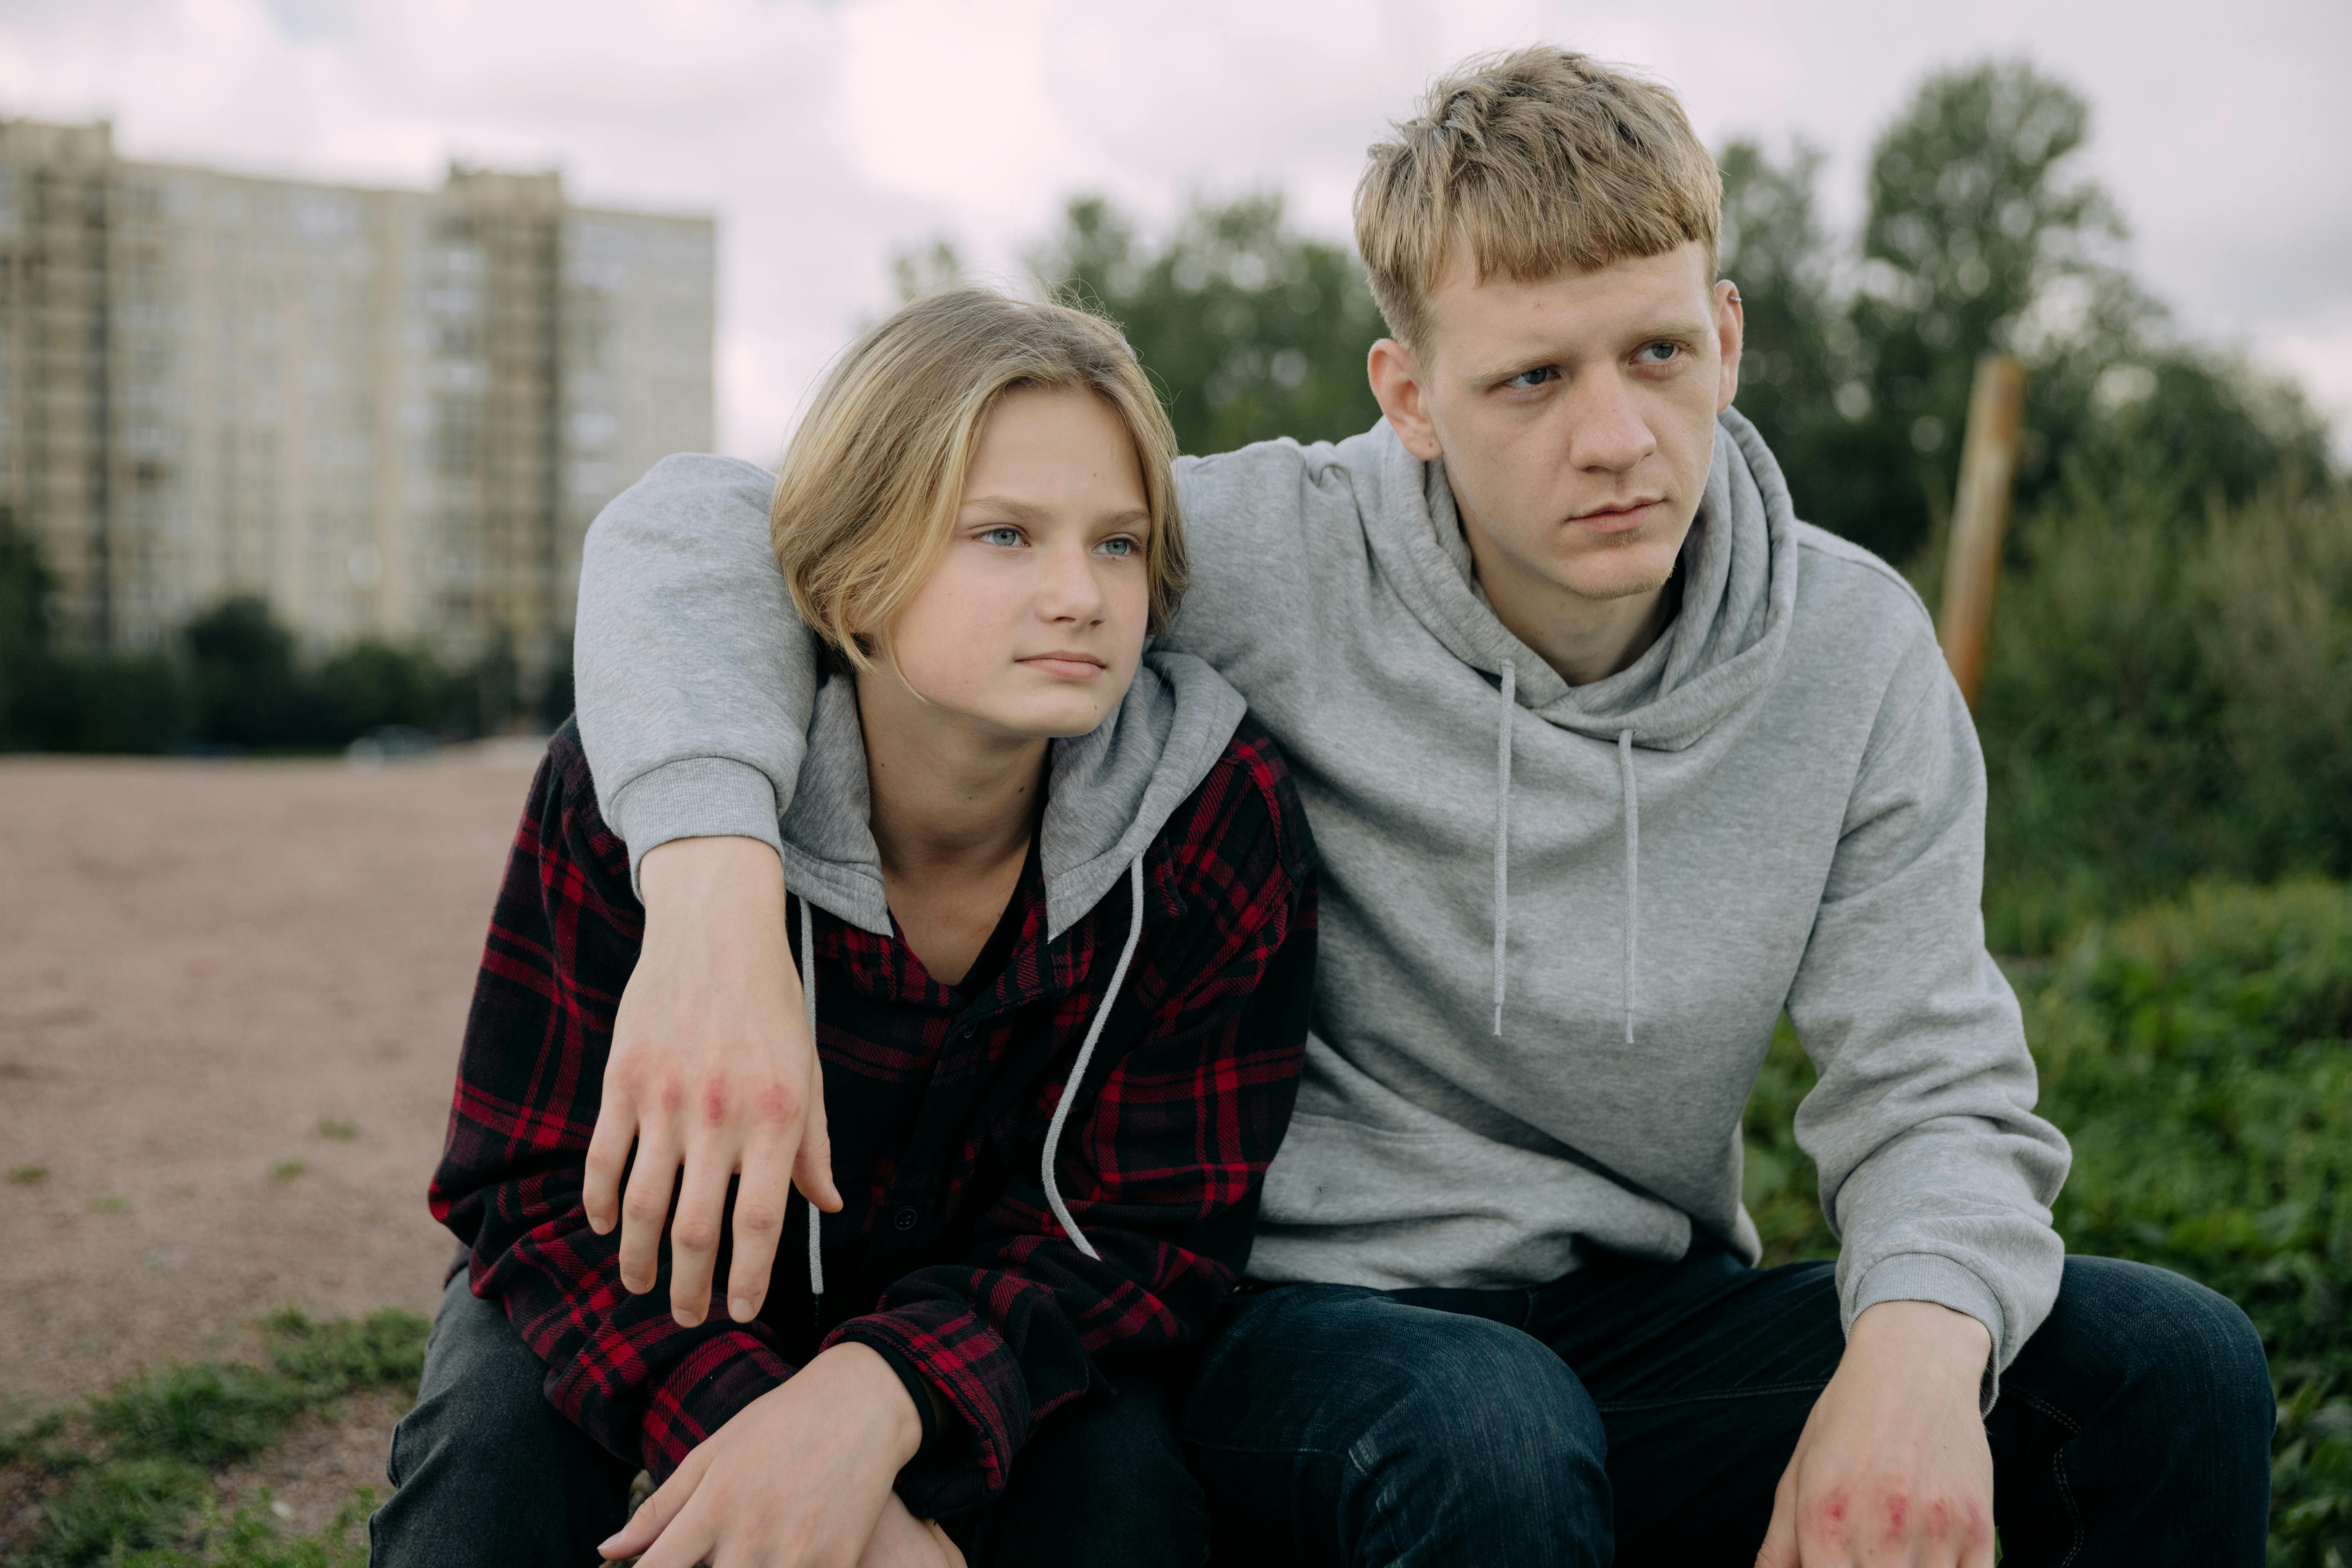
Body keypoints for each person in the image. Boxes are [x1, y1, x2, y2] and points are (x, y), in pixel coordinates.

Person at [563, 49, 2274, 1567]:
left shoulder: (1852, 649)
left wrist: (1909, 1357)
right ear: (1409, 398)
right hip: (1295, 1326)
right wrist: (713, 902)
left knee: (2167, 1367)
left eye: (1661, 351)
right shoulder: (1259, 556)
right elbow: (709, 523)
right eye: (1532, 379)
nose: (1619, 437)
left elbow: (1936, 1079)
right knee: (1483, 1424)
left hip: (1637, 1305)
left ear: (1730, 336)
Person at [371, 288, 1317, 1568]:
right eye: (1003, 536)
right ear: (854, 575)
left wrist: (884, 1405)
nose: (1079, 595)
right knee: (486, 1460)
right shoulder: (641, 791)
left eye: (1118, 545)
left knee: (1124, 1508)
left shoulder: (1212, 814)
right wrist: (774, 1453)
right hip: (660, 1298)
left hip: (1004, 1332)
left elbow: (1155, 1233)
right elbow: (526, 1186)